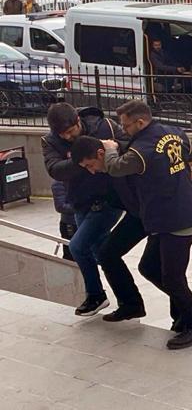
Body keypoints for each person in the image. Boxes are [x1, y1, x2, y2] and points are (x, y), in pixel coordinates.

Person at [100, 99, 192, 350]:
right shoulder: (173, 132)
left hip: (175, 221)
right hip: (169, 216)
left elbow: (115, 168)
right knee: (148, 266)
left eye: (126, 126)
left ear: (140, 122)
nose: (124, 130)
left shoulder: (143, 149)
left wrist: (111, 147)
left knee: (172, 278)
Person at [42, 104, 124, 316]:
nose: (68, 137)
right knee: (103, 253)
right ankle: (127, 299)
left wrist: (112, 149)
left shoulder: (104, 126)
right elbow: (54, 169)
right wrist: (83, 159)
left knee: (78, 246)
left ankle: (96, 295)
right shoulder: (50, 141)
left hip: (108, 199)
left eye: (71, 131)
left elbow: (126, 144)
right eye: (63, 134)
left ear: (78, 120)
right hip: (80, 201)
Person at [70, 135, 147, 322]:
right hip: (136, 214)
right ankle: (131, 305)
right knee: (106, 254)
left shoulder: (122, 161)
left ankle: (190, 313)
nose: (93, 171)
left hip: (152, 216)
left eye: (90, 165)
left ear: (100, 153)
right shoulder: (108, 167)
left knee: (155, 269)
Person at [51, 180, 76, 261]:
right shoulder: (59, 183)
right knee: (70, 254)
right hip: (70, 224)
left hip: (83, 221)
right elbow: (60, 206)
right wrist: (81, 207)